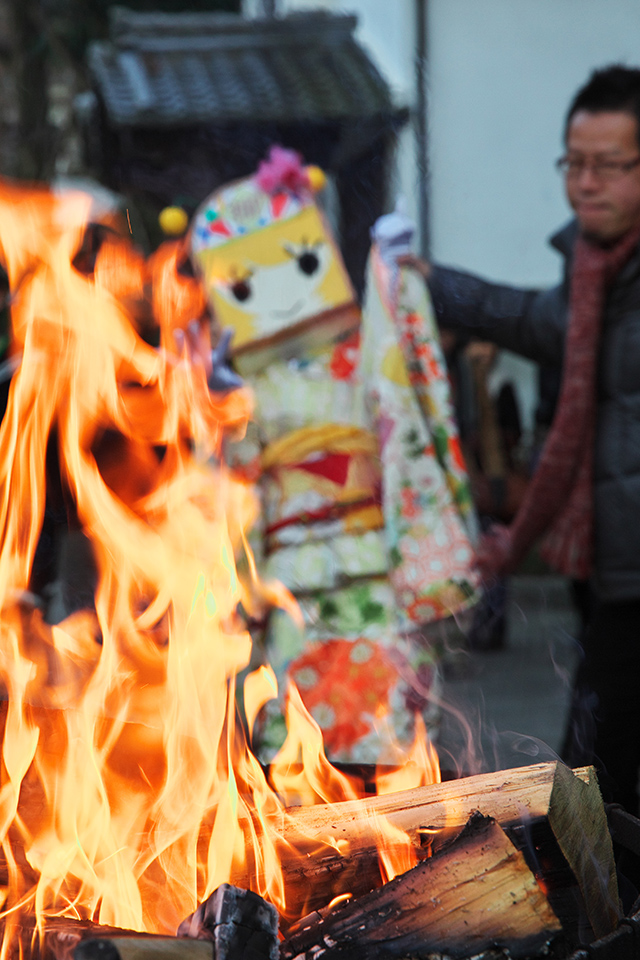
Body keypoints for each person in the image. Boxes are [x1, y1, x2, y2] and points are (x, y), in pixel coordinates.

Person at [403, 64, 640, 815]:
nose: (585, 183)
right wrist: (428, 284)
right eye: (575, 163)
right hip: (610, 574)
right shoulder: (595, 278)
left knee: (592, 779)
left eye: (609, 165)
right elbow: (525, 319)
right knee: (604, 774)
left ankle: (581, 907)